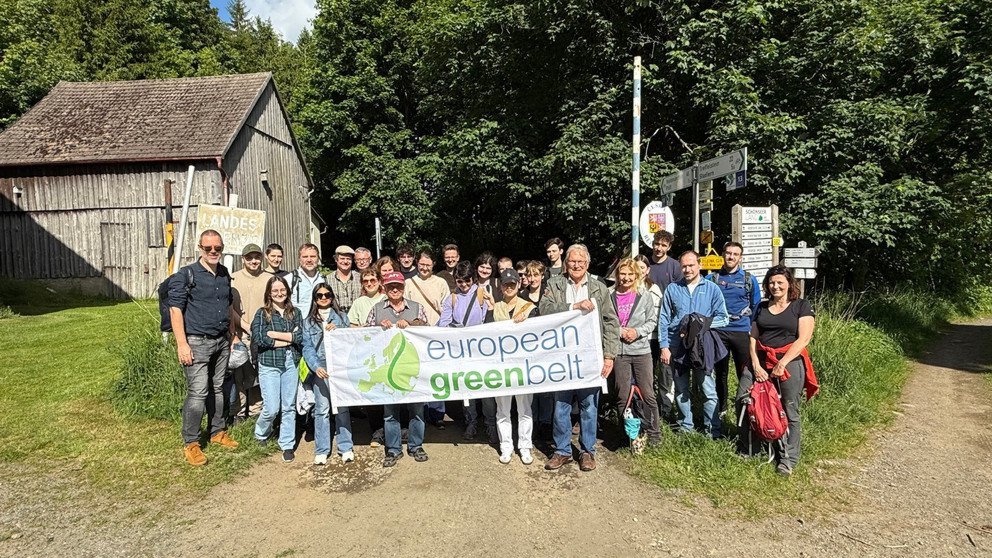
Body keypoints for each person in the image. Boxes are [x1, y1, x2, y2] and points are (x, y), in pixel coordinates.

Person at [540, 244, 620, 472]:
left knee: (589, 406)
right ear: (566, 263)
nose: (576, 265)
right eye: (572, 261)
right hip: (562, 357)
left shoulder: (598, 288)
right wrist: (572, 306)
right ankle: (562, 450)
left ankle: (587, 451)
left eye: (581, 262)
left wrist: (609, 356)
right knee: (561, 405)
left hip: (590, 357)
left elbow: (610, 322)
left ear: (588, 264)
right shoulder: (554, 284)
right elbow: (544, 309)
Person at [737, 265, 817, 476]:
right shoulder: (762, 307)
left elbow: (804, 338)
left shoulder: (801, 306)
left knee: (789, 409)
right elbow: (753, 337)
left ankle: (788, 458)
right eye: (772, 282)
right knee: (744, 400)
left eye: (780, 282)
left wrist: (782, 364)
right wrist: (755, 365)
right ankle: (749, 448)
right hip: (760, 359)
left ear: (789, 284)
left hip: (789, 361)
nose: (775, 286)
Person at [169, 230, 240, 466]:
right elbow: (175, 310)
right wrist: (182, 344)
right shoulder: (186, 274)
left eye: (217, 248)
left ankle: (217, 431)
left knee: (217, 388)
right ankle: (191, 442)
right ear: (200, 247)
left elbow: (228, 304)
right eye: (208, 248)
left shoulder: (224, 273)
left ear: (222, 248)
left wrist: (232, 332)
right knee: (198, 392)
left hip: (221, 340)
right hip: (196, 341)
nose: (213, 252)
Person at [657, 251, 729, 439]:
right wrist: (664, 346)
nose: (687, 269)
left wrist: (701, 323)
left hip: (701, 348)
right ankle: (685, 428)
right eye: (684, 266)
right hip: (677, 346)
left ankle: (712, 431)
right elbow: (663, 319)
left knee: (708, 390)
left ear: (699, 265)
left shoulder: (712, 289)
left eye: (691, 265)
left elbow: (724, 318)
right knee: (681, 390)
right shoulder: (673, 288)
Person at [365, 271, 430, 467]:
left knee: (416, 409)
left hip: (412, 367)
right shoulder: (377, 309)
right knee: (390, 411)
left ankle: (416, 445)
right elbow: (364, 335)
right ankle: (393, 449)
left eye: (398, 286)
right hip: (388, 369)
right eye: (391, 286)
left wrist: (411, 324)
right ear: (384, 288)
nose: (395, 289)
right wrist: (378, 328)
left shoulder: (417, 308)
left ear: (404, 287)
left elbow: (428, 330)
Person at [437, 261, 496, 441]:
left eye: (467, 281)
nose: (463, 285)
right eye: (459, 281)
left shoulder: (482, 295)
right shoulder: (452, 298)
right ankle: (471, 422)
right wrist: (456, 330)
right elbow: (443, 324)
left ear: (473, 279)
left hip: (481, 351)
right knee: (467, 390)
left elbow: (489, 323)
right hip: (461, 352)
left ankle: (490, 424)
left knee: (486, 390)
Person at [486, 268, 538, 464]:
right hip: (501, 367)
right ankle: (505, 446)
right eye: (505, 284)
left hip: (523, 366)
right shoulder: (495, 307)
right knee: (503, 410)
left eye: (512, 284)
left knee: (524, 409)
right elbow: (486, 335)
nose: (509, 287)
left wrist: (527, 322)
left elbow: (538, 335)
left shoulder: (529, 307)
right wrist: (490, 310)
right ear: (501, 286)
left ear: (518, 285)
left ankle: (525, 446)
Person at [250, 274, 303, 462]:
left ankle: (287, 443)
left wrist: (275, 335)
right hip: (269, 364)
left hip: (291, 363)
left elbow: (300, 337)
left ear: (287, 291)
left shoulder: (295, 313)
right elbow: (259, 338)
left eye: (282, 290)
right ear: (269, 294)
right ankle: (261, 432)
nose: (279, 293)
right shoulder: (262, 313)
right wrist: (288, 339)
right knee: (272, 407)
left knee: (288, 406)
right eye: (275, 291)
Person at [609, 258, 662, 446]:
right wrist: (619, 331)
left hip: (641, 351)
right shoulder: (609, 295)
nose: (626, 278)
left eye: (630, 274)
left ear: (636, 275)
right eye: (622, 274)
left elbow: (652, 321)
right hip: (619, 352)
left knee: (648, 393)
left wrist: (637, 332)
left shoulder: (644, 295)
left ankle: (654, 434)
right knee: (622, 394)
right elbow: (605, 321)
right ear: (617, 275)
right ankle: (628, 436)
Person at [301, 283, 354, 465]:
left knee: (342, 407)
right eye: (319, 295)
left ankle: (345, 446)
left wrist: (339, 330)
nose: (323, 298)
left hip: (339, 366)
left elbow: (350, 341)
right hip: (321, 366)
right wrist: (316, 366)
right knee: (322, 409)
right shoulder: (308, 322)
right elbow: (307, 347)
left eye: (327, 294)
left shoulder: (341, 317)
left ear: (332, 297)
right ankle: (322, 449)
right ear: (315, 299)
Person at [708, 242, 762, 416]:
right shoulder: (712, 278)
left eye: (735, 254)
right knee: (720, 372)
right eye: (728, 253)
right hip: (719, 331)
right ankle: (721, 410)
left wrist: (752, 329)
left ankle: (746, 410)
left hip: (741, 331)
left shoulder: (749, 279)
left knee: (744, 372)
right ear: (723, 254)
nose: (731, 257)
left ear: (740, 257)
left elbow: (756, 306)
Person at [230, 243, 268, 423]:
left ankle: (255, 411)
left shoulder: (269, 279)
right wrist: (244, 325)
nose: (254, 261)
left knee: (258, 374)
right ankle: (238, 412)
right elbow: (228, 308)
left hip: (261, 333)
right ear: (243, 259)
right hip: (239, 334)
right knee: (239, 375)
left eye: (257, 257)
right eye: (249, 258)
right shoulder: (233, 278)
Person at [635, 254, 670, 419]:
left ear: (648, 270)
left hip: (653, 339)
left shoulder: (654, 289)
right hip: (635, 340)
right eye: (637, 267)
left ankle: (659, 411)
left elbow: (659, 316)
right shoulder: (626, 288)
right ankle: (640, 409)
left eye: (642, 267)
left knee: (655, 375)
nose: (640, 270)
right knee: (641, 378)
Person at [406, 248, 449, 326]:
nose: (425, 268)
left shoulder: (441, 283)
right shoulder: (408, 283)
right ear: (417, 262)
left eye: (428, 265)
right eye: (422, 264)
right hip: (416, 329)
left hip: (437, 327)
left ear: (433, 264)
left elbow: (447, 308)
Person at [285, 243, 326, 314]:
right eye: (305, 257)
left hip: (318, 320)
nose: (309, 260)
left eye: (313, 256)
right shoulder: (290, 279)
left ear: (318, 259)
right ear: (299, 259)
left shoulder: (323, 279)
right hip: (298, 320)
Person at [329, 245, 362, 314]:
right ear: (336, 259)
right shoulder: (328, 279)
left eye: (348, 259)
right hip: (336, 317)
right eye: (342, 258)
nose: (345, 261)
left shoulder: (360, 278)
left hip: (357, 316)